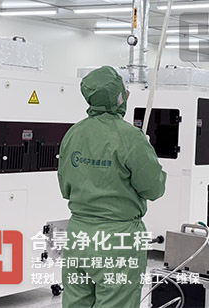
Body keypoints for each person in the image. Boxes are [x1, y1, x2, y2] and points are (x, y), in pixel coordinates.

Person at [58, 66, 167, 308]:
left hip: (79, 236)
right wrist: (147, 153)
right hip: (118, 239)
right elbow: (154, 188)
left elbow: (65, 187)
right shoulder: (131, 138)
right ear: (118, 96)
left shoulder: (73, 133)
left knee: (76, 302)